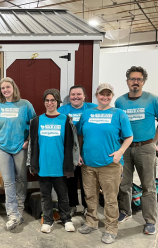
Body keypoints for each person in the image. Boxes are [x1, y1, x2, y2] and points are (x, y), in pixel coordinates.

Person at [77, 84, 133, 244]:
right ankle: (91, 222)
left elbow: (129, 137)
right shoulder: (87, 113)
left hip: (110, 164)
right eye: (102, 94)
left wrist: (120, 152)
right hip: (88, 163)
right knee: (90, 195)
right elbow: (80, 135)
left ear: (112, 96)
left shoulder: (119, 114)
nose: (105, 97)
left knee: (110, 199)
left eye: (108, 94)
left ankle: (110, 229)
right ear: (97, 95)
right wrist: (79, 153)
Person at [116, 66, 158, 235]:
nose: (135, 82)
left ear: (143, 82)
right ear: (127, 82)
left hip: (145, 148)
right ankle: (125, 211)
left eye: (138, 79)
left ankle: (150, 220)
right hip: (125, 148)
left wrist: (153, 141)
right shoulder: (120, 102)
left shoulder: (153, 100)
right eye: (132, 79)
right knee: (124, 184)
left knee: (149, 186)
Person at [27, 89, 78, 234]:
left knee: (63, 195)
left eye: (53, 100)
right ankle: (48, 220)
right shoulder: (36, 121)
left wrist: (71, 164)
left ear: (58, 102)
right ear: (44, 102)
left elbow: (72, 144)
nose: (50, 103)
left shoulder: (66, 120)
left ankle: (66, 219)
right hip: (43, 166)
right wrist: (32, 163)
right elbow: (33, 145)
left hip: (60, 166)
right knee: (45, 196)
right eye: (47, 100)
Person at [0, 77, 36, 231]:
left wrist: (28, 141)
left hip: (20, 147)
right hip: (2, 147)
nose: (5, 90)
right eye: (3, 88)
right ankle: (12, 214)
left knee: (21, 178)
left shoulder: (25, 104)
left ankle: (20, 208)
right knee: (8, 181)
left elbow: (34, 124)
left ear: (13, 87)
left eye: (7, 87)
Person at [58, 85, 97, 216]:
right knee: (70, 180)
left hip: (87, 149)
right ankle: (72, 205)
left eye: (78, 94)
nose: (75, 97)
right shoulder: (62, 110)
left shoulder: (92, 108)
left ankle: (87, 207)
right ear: (69, 97)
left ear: (84, 96)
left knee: (87, 180)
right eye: (73, 94)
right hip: (68, 150)